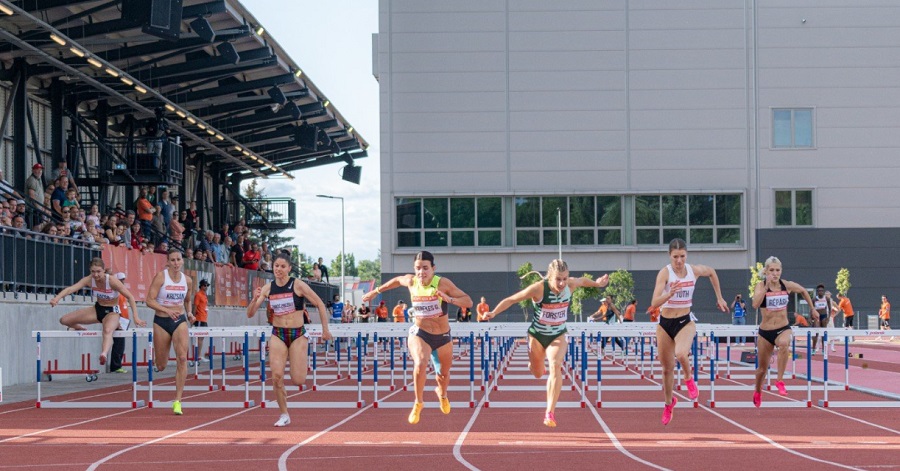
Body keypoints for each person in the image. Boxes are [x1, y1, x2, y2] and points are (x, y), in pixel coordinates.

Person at [483, 259, 608, 427]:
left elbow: (583, 281)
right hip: (537, 336)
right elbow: (512, 299)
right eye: (558, 279)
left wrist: (597, 284)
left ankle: (550, 412)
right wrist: (493, 312)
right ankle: (534, 365)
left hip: (558, 334)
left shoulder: (570, 285)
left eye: (564, 278)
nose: (562, 283)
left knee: (556, 365)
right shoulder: (539, 288)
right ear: (550, 277)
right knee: (537, 373)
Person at [362, 251, 472, 425]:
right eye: (418, 268)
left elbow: (468, 302)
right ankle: (418, 402)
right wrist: (376, 291)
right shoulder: (412, 282)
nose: (421, 272)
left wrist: (449, 299)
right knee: (420, 363)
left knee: (443, 375)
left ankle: (442, 395)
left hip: (443, 336)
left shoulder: (443, 283)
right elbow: (397, 280)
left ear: (433, 269)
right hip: (420, 333)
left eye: (425, 268)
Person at [246, 253, 332, 427]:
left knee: (298, 380)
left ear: (289, 268)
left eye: (282, 266)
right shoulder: (268, 288)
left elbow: (320, 304)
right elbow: (250, 313)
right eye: (276, 266)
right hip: (278, 333)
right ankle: (284, 413)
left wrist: (325, 329)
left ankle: (299, 360)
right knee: (276, 376)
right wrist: (254, 299)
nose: (279, 269)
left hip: (298, 334)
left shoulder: (297, 285)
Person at [650, 238, 727, 425]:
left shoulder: (693, 271)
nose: (679, 261)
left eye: (682, 256)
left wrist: (720, 297)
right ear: (669, 256)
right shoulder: (665, 273)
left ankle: (688, 378)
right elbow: (654, 303)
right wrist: (669, 294)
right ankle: (669, 404)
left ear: (687, 255)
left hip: (685, 321)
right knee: (666, 370)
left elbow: (712, 272)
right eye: (675, 257)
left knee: (681, 353)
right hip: (665, 323)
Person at [50, 258, 144, 367]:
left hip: (112, 312)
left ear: (104, 270)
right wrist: (57, 298)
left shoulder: (112, 281)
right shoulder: (89, 280)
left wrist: (136, 317)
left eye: (98, 271)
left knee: (107, 330)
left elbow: (130, 297)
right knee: (64, 320)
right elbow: (71, 289)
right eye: (93, 272)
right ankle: (78, 327)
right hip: (97, 309)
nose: (96, 275)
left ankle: (103, 353)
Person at [750, 256, 815, 407]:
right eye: (771, 270)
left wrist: (812, 309)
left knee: (785, 343)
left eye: (777, 270)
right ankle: (758, 390)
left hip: (782, 328)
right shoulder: (760, 286)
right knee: (761, 369)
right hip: (765, 332)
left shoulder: (786, 285)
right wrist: (766, 288)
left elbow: (804, 291)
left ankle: (779, 380)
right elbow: (754, 304)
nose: (775, 273)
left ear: (781, 271)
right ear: (766, 271)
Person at [145, 249, 195, 415]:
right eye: (172, 260)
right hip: (161, 320)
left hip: (179, 320)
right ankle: (158, 361)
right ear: (168, 262)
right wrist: (166, 310)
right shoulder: (161, 277)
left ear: (182, 261)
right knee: (161, 365)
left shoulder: (187, 280)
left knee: (182, 357)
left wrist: (189, 313)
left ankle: (178, 401)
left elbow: (188, 300)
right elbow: (149, 300)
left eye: (178, 260)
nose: (175, 263)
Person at [109, 272, 132, 374]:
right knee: (118, 344)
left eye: (123, 280)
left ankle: (117, 364)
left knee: (120, 344)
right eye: (121, 280)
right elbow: (114, 307)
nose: (123, 281)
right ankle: (115, 366)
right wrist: (117, 320)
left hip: (123, 321)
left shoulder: (122, 292)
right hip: (119, 321)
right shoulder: (116, 293)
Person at [810, 284, 833, 354]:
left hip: (824, 316)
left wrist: (828, 317)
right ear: (817, 291)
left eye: (822, 291)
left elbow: (830, 308)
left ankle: (823, 349)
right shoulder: (814, 299)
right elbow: (811, 309)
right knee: (816, 333)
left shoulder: (827, 298)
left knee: (823, 333)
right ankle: (813, 349)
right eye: (819, 291)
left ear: (823, 291)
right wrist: (810, 318)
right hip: (817, 316)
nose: (821, 292)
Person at [193, 279, 210, 361]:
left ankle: (199, 355)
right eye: (205, 285)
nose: (206, 287)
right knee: (199, 337)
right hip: (199, 318)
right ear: (201, 286)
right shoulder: (198, 295)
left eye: (207, 285)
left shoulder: (204, 295)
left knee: (202, 337)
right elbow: (195, 306)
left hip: (204, 318)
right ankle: (197, 355)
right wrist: (193, 317)